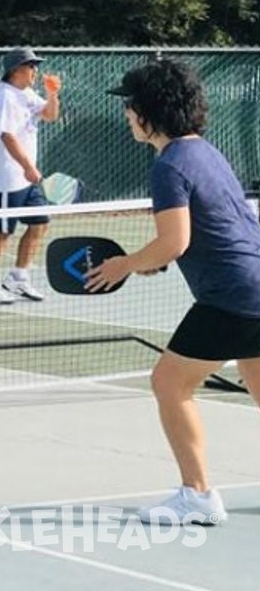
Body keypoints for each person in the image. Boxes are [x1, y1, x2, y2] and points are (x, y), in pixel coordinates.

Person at [87, 59, 260, 525]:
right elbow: (211, 229)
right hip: (256, 284)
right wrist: (156, 259)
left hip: (231, 294)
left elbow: (175, 241)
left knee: (169, 382)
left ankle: (198, 496)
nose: (126, 113)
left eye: (130, 104)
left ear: (150, 111)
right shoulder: (205, 151)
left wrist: (126, 263)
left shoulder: (169, 165)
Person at [0, 47, 61, 304]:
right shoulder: (5, 97)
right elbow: (6, 135)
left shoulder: (27, 94)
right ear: (15, 70)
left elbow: (50, 116)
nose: (35, 70)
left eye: (35, 65)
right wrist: (27, 166)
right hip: (7, 180)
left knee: (40, 224)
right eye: (30, 65)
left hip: (26, 179)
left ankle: (18, 277)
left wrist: (53, 94)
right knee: (2, 232)